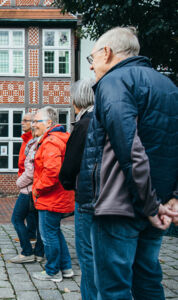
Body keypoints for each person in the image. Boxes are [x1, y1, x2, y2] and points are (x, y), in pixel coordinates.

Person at [78, 27, 178, 299]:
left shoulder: (114, 82)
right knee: (148, 281)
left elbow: (128, 147)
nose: (92, 66)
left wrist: (147, 204)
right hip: (158, 204)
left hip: (120, 206)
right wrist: (172, 199)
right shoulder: (168, 86)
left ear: (106, 53)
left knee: (113, 288)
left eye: (92, 58)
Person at [58, 79, 96, 300]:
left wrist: (69, 183)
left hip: (87, 195)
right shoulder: (105, 118)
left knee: (87, 253)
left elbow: (69, 166)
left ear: (78, 100)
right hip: (107, 195)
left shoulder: (83, 124)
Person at [30, 106, 75, 283]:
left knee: (48, 235)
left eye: (36, 121)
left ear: (49, 123)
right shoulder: (58, 138)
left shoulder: (51, 142)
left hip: (51, 198)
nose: (33, 125)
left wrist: (37, 189)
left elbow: (52, 172)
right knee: (55, 232)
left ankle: (52, 271)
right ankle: (66, 268)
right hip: (58, 196)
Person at [9, 113, 44, 263]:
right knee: (37, 220)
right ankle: (39, 252)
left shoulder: (34, 141)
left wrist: (19, 182)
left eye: (27, 121)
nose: (22, 122)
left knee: (17, 218)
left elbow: (30, 170)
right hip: (32, 187)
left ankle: (27, 251)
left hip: (29, 187)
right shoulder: (28, 140)